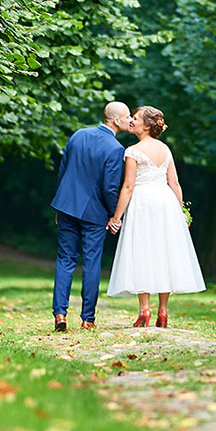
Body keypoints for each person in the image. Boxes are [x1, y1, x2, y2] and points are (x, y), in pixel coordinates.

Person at [106, 106, 205, 327]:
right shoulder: (165, 149)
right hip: (166, 202)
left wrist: (116, 217)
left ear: (148, 125)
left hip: (143, 203)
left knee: (143, 252)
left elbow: (128, 187)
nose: (131, 120)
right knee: (164, 252)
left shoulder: (133, 151)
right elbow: (175, 183)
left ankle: (144, 310)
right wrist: (180, 213)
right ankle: (163, 311)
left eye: (136, 117)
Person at [49, 101, 132, 331]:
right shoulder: (115, 149)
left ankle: (60, 315)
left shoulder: (78, 135)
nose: (130, 121)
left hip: (67, 206)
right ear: (116, 120)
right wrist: (114, 215)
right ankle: (88, 319)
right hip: (94, 213)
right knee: (91, 263)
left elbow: (63, 171)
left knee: (65, 260)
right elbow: (110, 188)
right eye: (127, 117)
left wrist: (60, 205)